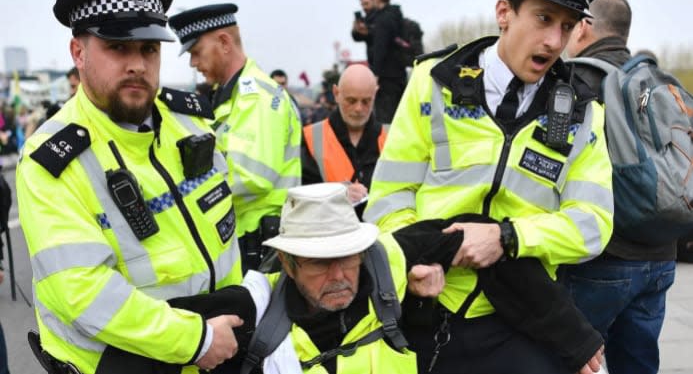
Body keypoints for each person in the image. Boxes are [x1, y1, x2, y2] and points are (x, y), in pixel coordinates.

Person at [365, 0, 613, 373]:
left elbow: (594, 223)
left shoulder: (582, 112)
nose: (555, 41)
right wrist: (415, 261)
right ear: (504, 12)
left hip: (520, 318)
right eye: (543, 18)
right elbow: (389, 198)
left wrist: (509, 237)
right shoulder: (432, 84)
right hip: (425, 307)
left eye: (568, 26)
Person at [89, 182, 604, 374]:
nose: (339, 276)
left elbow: (487, 243)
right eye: (318, 262)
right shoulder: (252, 309)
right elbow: (141, 343)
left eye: (347, 257)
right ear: (287, 264)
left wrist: (579, 345)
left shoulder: (388, 260)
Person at [17, 0, 245, 374]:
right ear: (78, 53)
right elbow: (83, 291)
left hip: (221, 348)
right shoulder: (49, 160)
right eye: (118, 47)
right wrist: (194, 340)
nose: (137, 64)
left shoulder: (191, 122)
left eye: (149, 49)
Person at [560, 0, 676, 374]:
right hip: (661, 258)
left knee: (567, 360)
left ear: (585, 27)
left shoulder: (580, 80)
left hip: (603, 260)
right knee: (638, 364)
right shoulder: (655, 82)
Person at [169, 4, 302, 271]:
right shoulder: (229, 97)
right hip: (243, 240)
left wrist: (179, 197)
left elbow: (251, 177)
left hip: (260, 246)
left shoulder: (256, 97)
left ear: (224, 42)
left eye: (196, 52)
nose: (193, 63)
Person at [302, 64, 386, 220]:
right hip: (330, 236)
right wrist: (337, 194)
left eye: (366, 101)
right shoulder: (310, 137)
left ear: (375, 94)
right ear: (336, 93)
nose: (359, 108)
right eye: (351, 101)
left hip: (381, 236)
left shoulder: (391, 138)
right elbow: (300, 196)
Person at [370, 0, 407, 124]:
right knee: (399, 115)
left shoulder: (382, 20)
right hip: (399, 72)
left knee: (385, 117)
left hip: (386, 76)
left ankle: (386, 144)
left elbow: (380, 48)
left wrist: (376, 73)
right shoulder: (396, 16)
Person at [351, 0, 376, 66]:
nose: (364, 7)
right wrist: (356, 29)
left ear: (374, 0)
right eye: (362, 5)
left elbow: (379, 33)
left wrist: (367, 29)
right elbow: (357, 37)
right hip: (373, 62)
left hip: (387, 64)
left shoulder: (382, 16)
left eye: (366, 3)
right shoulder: (365, 20)